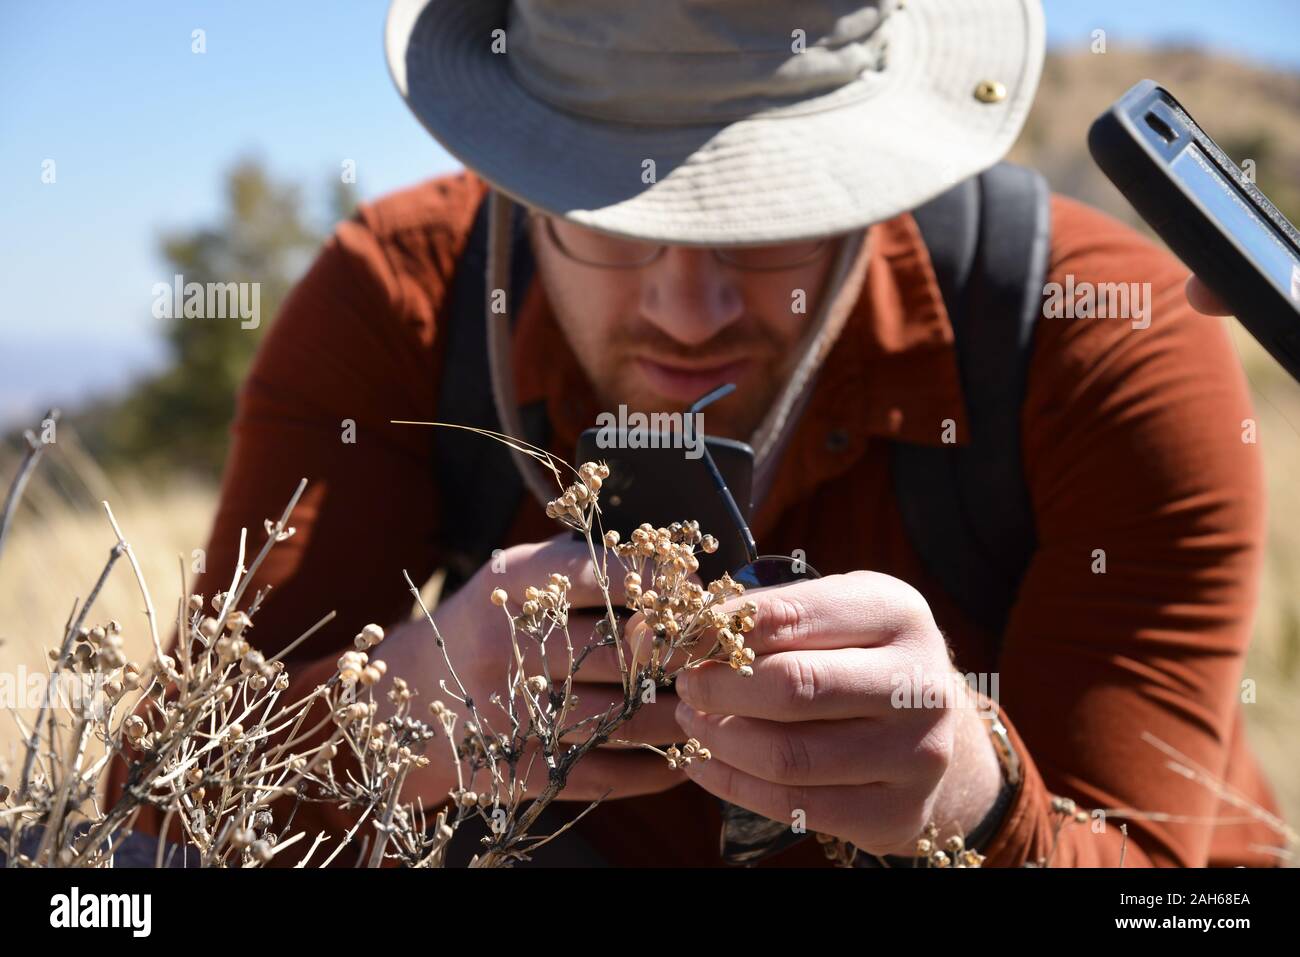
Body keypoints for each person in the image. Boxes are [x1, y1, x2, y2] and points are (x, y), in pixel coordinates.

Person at [111, 0, 1285, 867]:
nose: (688, 307)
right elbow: (145, 817)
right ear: (516, 175)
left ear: (871, 178)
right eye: (610, 217)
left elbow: (1166, 882)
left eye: (765, 219)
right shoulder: (396, 304)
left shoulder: (1093, 335)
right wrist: (392, 717)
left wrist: (977, 804)